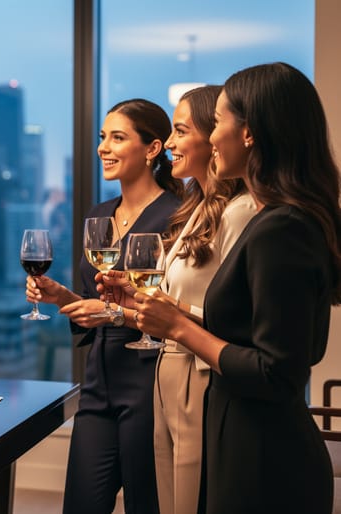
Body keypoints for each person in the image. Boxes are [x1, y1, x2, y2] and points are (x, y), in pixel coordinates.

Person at [133, 62, 338, 513]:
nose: (211, 138)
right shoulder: (276, 221)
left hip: (265, 459)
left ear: (248, 133)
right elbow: (249, 330)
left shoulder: (281, 227)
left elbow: (276, 372)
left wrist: (180, 328)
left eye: (218, 121)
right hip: (245, 442)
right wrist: (174, 314)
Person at [99, 86, 256, 514]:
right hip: (169, 369)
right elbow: (174, 299)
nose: (170, 142)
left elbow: (238, 318)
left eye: (181, 131)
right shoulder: (195, 209)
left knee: (189, 498)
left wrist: (170, 315)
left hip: (198, 368)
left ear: (212, 137)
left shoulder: (240, 212)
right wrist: (133, 299)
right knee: (170, 499)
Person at [25, 98, 182, 514]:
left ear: (152, 149)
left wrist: (111, 312)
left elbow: (173, 310)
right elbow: (96, 306)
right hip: (98, 383)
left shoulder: (176, 217)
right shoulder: (99, 214)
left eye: (117, 137)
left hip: (149, 384)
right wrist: (62, 296)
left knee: (147, 505)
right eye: (102, 137)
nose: (103, 148)